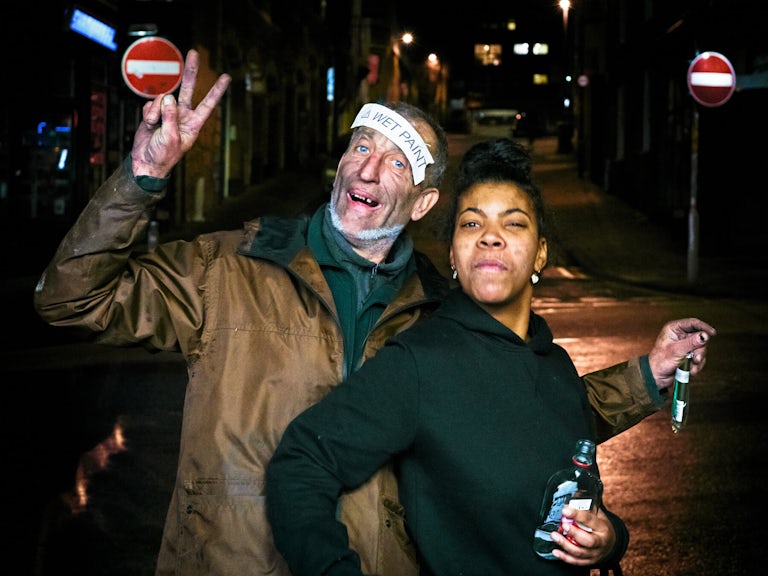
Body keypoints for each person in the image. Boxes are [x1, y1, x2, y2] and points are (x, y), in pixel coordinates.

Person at [33, 49, 715, 576]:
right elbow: (69, 298)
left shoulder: (439, 314)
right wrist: (142, 180)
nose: (368, 169)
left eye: (396, 163)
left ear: (422, 203)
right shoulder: (229, 268)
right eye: (361, 147)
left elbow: (530, 417)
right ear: (339, 162)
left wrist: (646, 377)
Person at [264, 139, 640, 574]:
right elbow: (301, 463)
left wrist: (610, 539)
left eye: (514, 224)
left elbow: (573, 501)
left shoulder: (557, 365)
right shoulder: (419, 363)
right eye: (471, 223)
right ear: (454, 256)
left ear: (540, 253)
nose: (490, 237)